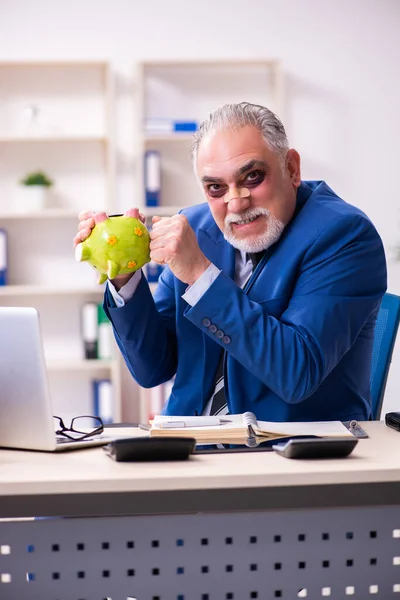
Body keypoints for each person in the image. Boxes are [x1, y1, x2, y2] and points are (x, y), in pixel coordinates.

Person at [74, 102, 387, 422]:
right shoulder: (194, 227)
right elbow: (152, 369)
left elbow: (297, 373)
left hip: (288, 452)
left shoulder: (345, 236)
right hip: (187, 443)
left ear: (291, 168)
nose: (235, 202)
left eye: (252, 177)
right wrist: (124, 274)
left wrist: (200, 274)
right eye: (215, 187)